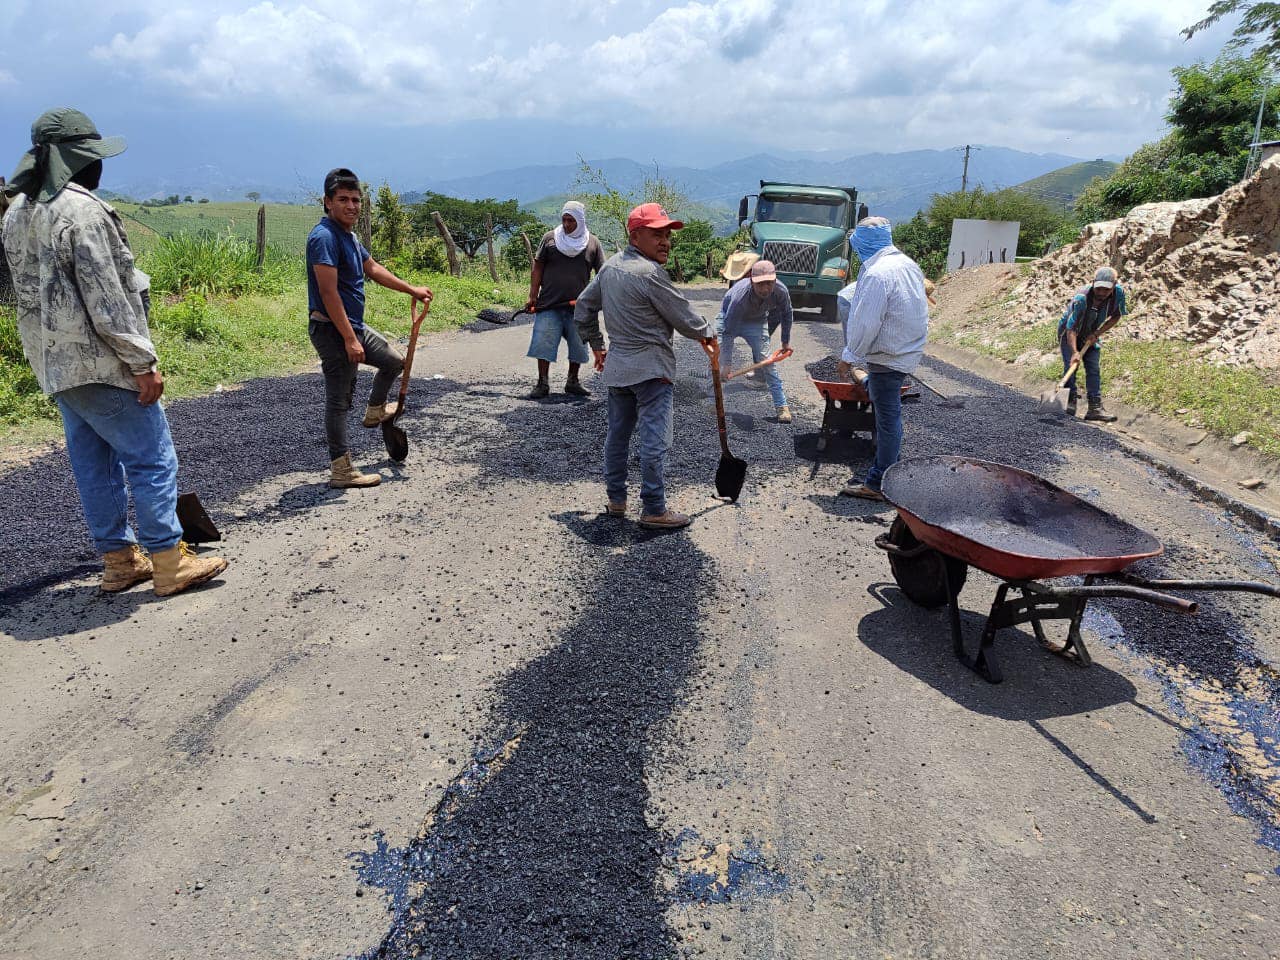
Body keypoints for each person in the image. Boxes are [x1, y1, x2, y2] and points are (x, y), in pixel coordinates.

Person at [1, 107, 227, 596]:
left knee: (94, 465)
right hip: (104, 363)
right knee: (151, 459)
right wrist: (142, 363)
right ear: (80, 158)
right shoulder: (83, 212)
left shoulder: (16, 211)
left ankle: (120, 561)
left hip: (56, 366)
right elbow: (108, 300)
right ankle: (168, 561)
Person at [575, 203, 716, 529]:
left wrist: (597, 345)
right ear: (635, 235)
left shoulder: (609, 269)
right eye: (657, 234)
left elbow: (583, 307)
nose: (665, 241)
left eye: (667, 234)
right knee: (655, 440)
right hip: (652, 370)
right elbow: (686, 319)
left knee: (618, 436)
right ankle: (653, 508)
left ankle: (617, 500)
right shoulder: (651, 274)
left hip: (619, 370)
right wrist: (709, 332)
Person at [306, 168, 433, 488]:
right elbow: (328, 293)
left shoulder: (348, 236)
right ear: (327, 202)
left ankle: (376, 410)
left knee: (393, 361)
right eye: (343, 200)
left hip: (353, 326)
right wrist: (350, 339)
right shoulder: (323, 237)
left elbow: (373, 268)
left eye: (356, 200)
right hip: (333, 330)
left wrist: (411, 289)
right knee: (339, 400)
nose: (351, 206)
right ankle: (341, 469)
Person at [835, 217, 930, 501]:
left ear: (862, 243)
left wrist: (849, 357)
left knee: (888, 421)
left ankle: (879, 484)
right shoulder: (907, 264)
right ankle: (892, 472)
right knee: (885, 406)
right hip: (904, 348)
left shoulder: (877, 272)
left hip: (889, 353)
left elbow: (866, 322)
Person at [524, 200, 604, 398]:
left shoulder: (592, 243)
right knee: (543, 341)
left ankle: (573, 381)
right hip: (549, 303)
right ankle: (542, 383)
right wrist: (533, 295)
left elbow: (603, 274)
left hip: (578, 307)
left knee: (578, 344)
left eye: (571, 221)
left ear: (580, 221)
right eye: (564, 220)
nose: (567, 225)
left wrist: (598, 299)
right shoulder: (550, 239)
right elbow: (538, 267)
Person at [715, 259, 794, 422]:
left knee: (767, 362)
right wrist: (727, 363)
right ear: (751, 281)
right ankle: (711, 397)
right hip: (729, 319)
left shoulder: (780, 291)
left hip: (756, 321)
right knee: (717, 360)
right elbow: (728, 332)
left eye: (769, 283)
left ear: (775, 280)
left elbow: (786, 313)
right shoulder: (739, 298)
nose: (766, 289)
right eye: (760, 284)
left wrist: (785, 341)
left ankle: (782, 406)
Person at [1058, 266, 1124, 422]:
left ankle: (1095, 408)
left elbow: (1116, 316)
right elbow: (1071, 328)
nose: (1101, 293)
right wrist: (1074, 351)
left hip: (1091, 333)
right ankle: (1068, 400)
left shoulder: (1118, 295)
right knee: (1070, 366)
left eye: (1106, 290)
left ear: (1114, 285)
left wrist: (1096, 334)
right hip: (1069, 332)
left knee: (1093, 367)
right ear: (1093, 283)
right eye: (1098, 288)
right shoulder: (1082, 298)